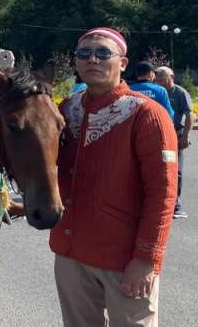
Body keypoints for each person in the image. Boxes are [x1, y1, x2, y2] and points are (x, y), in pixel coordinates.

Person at [54, 28, 177, 327]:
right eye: (84, 54)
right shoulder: (65, 109)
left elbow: (162, 193)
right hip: (70, 254)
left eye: (103, 53)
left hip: (125, 260)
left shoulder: (146, 113)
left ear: (123, 62)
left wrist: (147, 259)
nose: (92, 59)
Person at [156, 66, 192, 219]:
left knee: (175, 170)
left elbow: (190, 116)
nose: (158, 81)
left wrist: (184, 136)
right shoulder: (158, 92)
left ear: (171, 76)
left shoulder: (180, 93)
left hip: (175, 136)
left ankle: (176, 206)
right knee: (159, 169)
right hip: (159, 135)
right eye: (157, 78)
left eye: (161, 78)